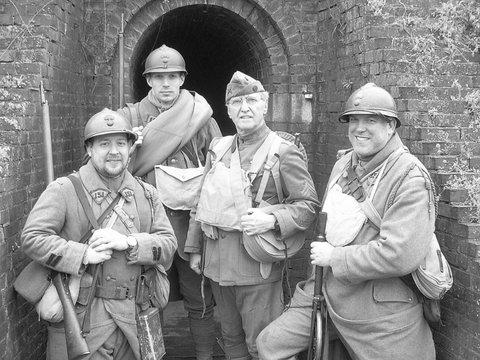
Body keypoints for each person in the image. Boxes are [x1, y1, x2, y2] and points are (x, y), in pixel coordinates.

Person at [256, 82, 437, 360]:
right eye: (354, 120)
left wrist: (335, 258)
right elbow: (326, 231)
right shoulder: (343, 164)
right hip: (327, 291)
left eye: (370, 120)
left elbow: (400, 254)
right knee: (270, 344)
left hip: (379, 307)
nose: (359, 128)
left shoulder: (410, 178)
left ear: (391, 126)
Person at [21, 108, 177, 359]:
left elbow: (169, 243)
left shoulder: (147, 193)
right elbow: (32, 238)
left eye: (120, 143)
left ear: (130, 148)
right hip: (85, 322)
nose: (114, 151)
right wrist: (82, 253)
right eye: (104, 144)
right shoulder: (64, 190)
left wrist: (131, 242)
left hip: (135, 319)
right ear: (90, 150)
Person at [185, 71, 320, 360]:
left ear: (264, 106)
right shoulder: (218, 149)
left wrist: (272, 219)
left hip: (256, 266)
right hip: (217, 265)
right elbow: (201, 201)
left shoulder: (284, 151)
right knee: (231, 339)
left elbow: (308, 206)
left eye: (251, 100)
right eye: (237, 102)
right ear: (228, 110)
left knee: (264, 344)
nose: (244, 107)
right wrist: (195, 249)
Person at [116, 44, 221, 360]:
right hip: (145, 225)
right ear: (148, 80)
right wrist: (129, 146)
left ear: (182, 79)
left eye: (172, 76)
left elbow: (220, 168)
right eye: (158, 77)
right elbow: (100, 162)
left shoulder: (199, 117)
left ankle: (204, 355)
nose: (166, 84)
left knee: (199, 298)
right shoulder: (128, 118)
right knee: (147, 297)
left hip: (191, 226)